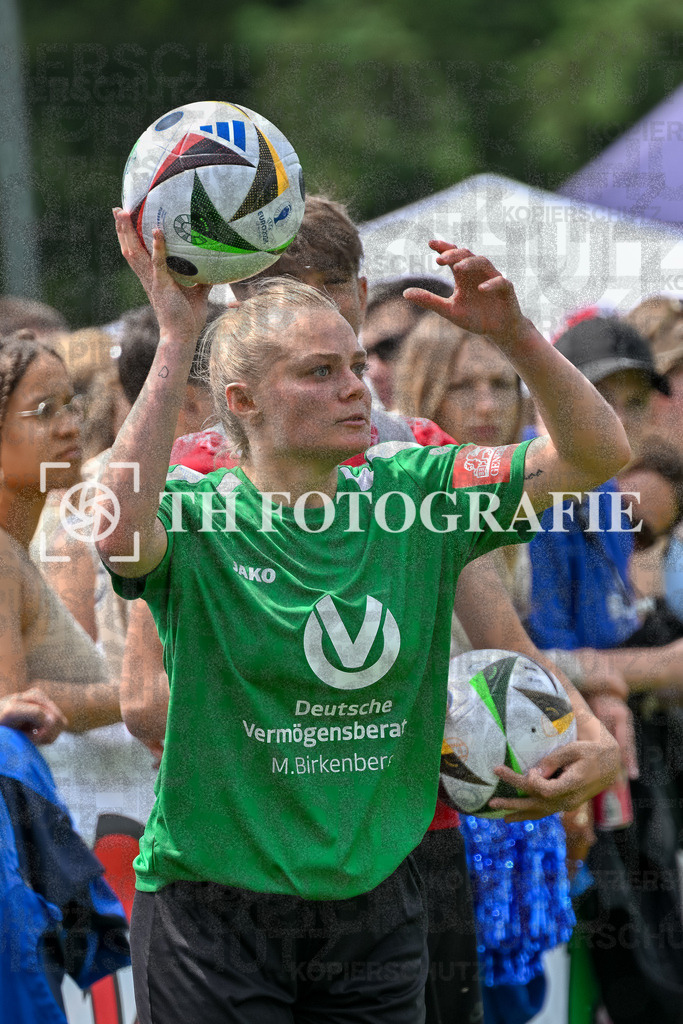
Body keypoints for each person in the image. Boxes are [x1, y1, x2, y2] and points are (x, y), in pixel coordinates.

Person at [98, 208, 624, 1024]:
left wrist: (517, 335)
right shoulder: (194, 509)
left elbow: (596, 455)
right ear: (240, 399)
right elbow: (119, 534)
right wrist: (175, 339)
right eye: (319, 373)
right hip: (214, 911)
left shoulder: (418, 490)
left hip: (379, 902)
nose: (355, 387)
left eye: (354, 363)